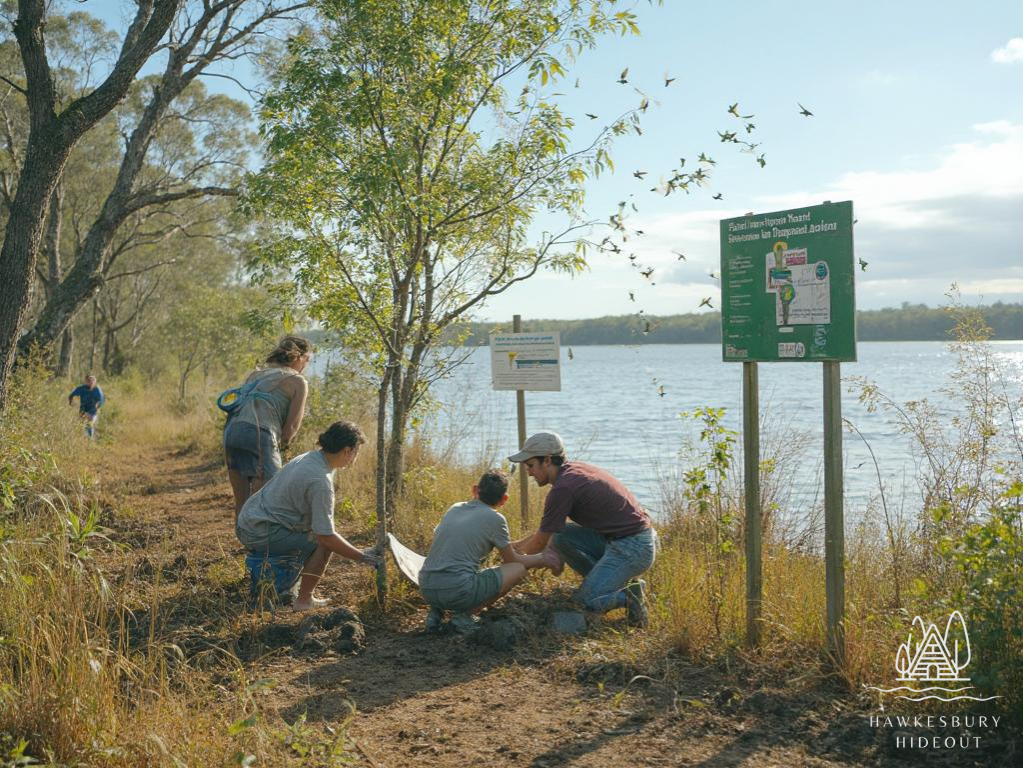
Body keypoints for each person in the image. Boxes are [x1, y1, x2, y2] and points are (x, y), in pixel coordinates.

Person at [508, 431, 657, 627]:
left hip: (633, 548)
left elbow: (538, 544)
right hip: (627, 540)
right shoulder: (573, 472)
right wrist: (513, 547)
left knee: (583, 602)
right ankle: (606, 585)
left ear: (546, 460)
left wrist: (509, 566)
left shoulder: (563, 489)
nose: (528, 472)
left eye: (530, 465)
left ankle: (628, 596)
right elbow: (547, 532)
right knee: (561, 536)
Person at [235, 420, 380, 611]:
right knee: (323, 543)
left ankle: (282, 587)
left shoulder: (310, 457)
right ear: (347, 451)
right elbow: (325, 537)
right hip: (259, 531)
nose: (354, 459)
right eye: (356, 453)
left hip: (248, 521)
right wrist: (363, 558)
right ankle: (304, 600)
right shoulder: (320, 480)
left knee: (319, 535)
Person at [419, 469, 560, 634]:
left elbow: (500, 546)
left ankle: (435, 614)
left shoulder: (455, 508)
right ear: (504, 499)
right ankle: (465, 615)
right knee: (518, 570)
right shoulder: (495, 519)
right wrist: (542, 558)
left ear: (475, 490)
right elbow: (512, 561)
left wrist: (533, 537)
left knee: (451, 560)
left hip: (426, 587)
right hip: (457, 591)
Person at [224, 335, 313, 519]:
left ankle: (245, 541)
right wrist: (283, 448)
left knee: (242, 499)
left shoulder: (255, 375)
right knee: (269, 497)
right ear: (298, 357)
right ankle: (263, 546)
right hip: (259, 434)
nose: (306, 366)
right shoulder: (298, 381)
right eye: (308, 360)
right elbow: (291, 428)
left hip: (231, 431)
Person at [68, 374, 105, 440]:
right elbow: (71, 394)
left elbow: (101, 400)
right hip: (83, 410)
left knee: (89, 424)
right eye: (89, 381)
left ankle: (90, 440)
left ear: (95, 382)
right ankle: (83, 440)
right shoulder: (82, 389)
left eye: (92, 381)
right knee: (80, 426)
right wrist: (71, 402)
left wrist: (97, 405)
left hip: (93, 411)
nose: (90, 383)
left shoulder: (97, 390)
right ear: (86, 382)